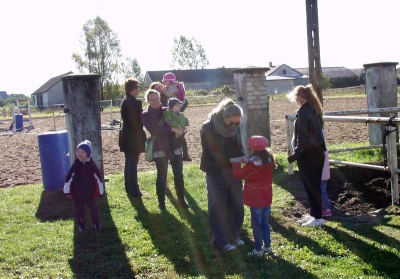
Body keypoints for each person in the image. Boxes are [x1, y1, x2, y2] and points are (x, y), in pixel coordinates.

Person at [200, 98, 245, 252]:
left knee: (237, 204)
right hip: (216, 171)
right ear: (222, 117)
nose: (234, 126)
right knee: (218, 206)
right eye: (231, 123)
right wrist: (229, 159)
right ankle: (221, 241)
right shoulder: (208, 127)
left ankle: (234, 235)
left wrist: (243, 156)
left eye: (237, 123)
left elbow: (239, 145)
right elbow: (209, 153)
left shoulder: (235, 127)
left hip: (233, 170)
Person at [141, 89, 190, 211]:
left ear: (159, 98)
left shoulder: (167, 110)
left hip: (175, 146)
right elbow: (154, 131)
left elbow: (180, 121)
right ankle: (161, 203)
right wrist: (172, 130)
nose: (155, 101)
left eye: (156, 98)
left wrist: (182, 129)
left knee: (179, 175)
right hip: (159, 147)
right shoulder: (145, 115)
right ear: (147, 101)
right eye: (151, 100)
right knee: (162, 176)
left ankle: (182, 201)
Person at [230, 136, 277, 257]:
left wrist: (236, 163)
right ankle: (267, 246)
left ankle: (258, 250)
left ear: (251, 148)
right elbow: (253, 160)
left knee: (256, 224)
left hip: (256, 200)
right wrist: (245, 160)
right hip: (266, 198)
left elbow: (238, 174)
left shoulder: (252, 166)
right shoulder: (269, 160)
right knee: (265, 223)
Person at [287, 84, 326, 227]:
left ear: (298, 97)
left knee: (311, 186)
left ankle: (318, 218)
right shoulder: (315, 110)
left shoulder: (303, 113)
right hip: (318, 151)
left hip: (308, 154)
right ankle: (314, 214)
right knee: (314, 185)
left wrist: (295, 155)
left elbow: (302, 138)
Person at [64, 140, 104, 232]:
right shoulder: (75, 165)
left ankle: (96, 223)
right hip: (77, 193)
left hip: (90, 192)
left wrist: (100, 192)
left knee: (93, 209)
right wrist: (67, 191)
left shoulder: (92, 166)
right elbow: (68, 179)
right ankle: (81, 225)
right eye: (78, 151)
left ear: (88, 153)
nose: (80, 154)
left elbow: (98, 179)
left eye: (83, 152)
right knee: (79, 211)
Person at [151, 81, 192, 161]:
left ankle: (185, 154)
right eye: (156, 88)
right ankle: (171, 154)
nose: (159, 89)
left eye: (160, 87)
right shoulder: (157, 100)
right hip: (166, 121)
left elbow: (180, 106)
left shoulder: (169, 95)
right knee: (171, 139)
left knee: (181, 139)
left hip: (175, 120)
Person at [119, 78, 146, 198]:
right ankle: (134, 190)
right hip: (132, 137)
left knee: (129, 162)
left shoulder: (126, 100)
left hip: (127, 136)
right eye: (137, 87)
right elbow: (136, 121)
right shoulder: (132, 102)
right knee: (132, 163)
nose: (138, 90)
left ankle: (129, 187)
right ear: (133, 89)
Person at [321, 130, 332, 217]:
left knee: (321, 191)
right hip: (323, 175)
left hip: (321, 175)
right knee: (320, 190)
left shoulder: (321, 152)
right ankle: (321, 207)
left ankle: (326, 208)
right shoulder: (324, 150)